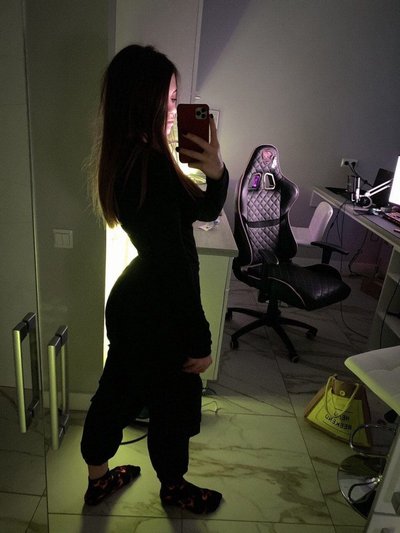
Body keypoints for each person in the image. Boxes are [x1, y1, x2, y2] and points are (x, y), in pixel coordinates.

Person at [80, 44, 229, 514]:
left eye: (175, 98)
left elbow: (201, 210)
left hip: (141, 303)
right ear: (139, 100)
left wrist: (216, 171)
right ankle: (173, 488)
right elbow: (175, 267)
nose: (172, 110)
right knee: (170, 403)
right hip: (156, 309)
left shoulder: (137, 157)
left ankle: (99, 480)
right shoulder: (146, 166)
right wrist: (200, 339)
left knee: (118, 394)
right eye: (165, 99)